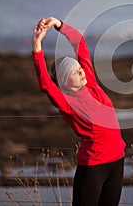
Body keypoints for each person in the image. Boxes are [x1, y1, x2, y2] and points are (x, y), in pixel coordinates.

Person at [32, 17, 126, 206]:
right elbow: (45, 84)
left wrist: (59, 24)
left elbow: (80, 43)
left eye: (79, 67)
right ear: (66, 82)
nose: (82, 71)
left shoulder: (90, 82)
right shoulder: (68, 103)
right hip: (93, 168)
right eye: (75, 72)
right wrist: (37, 44)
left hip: (117, 162)